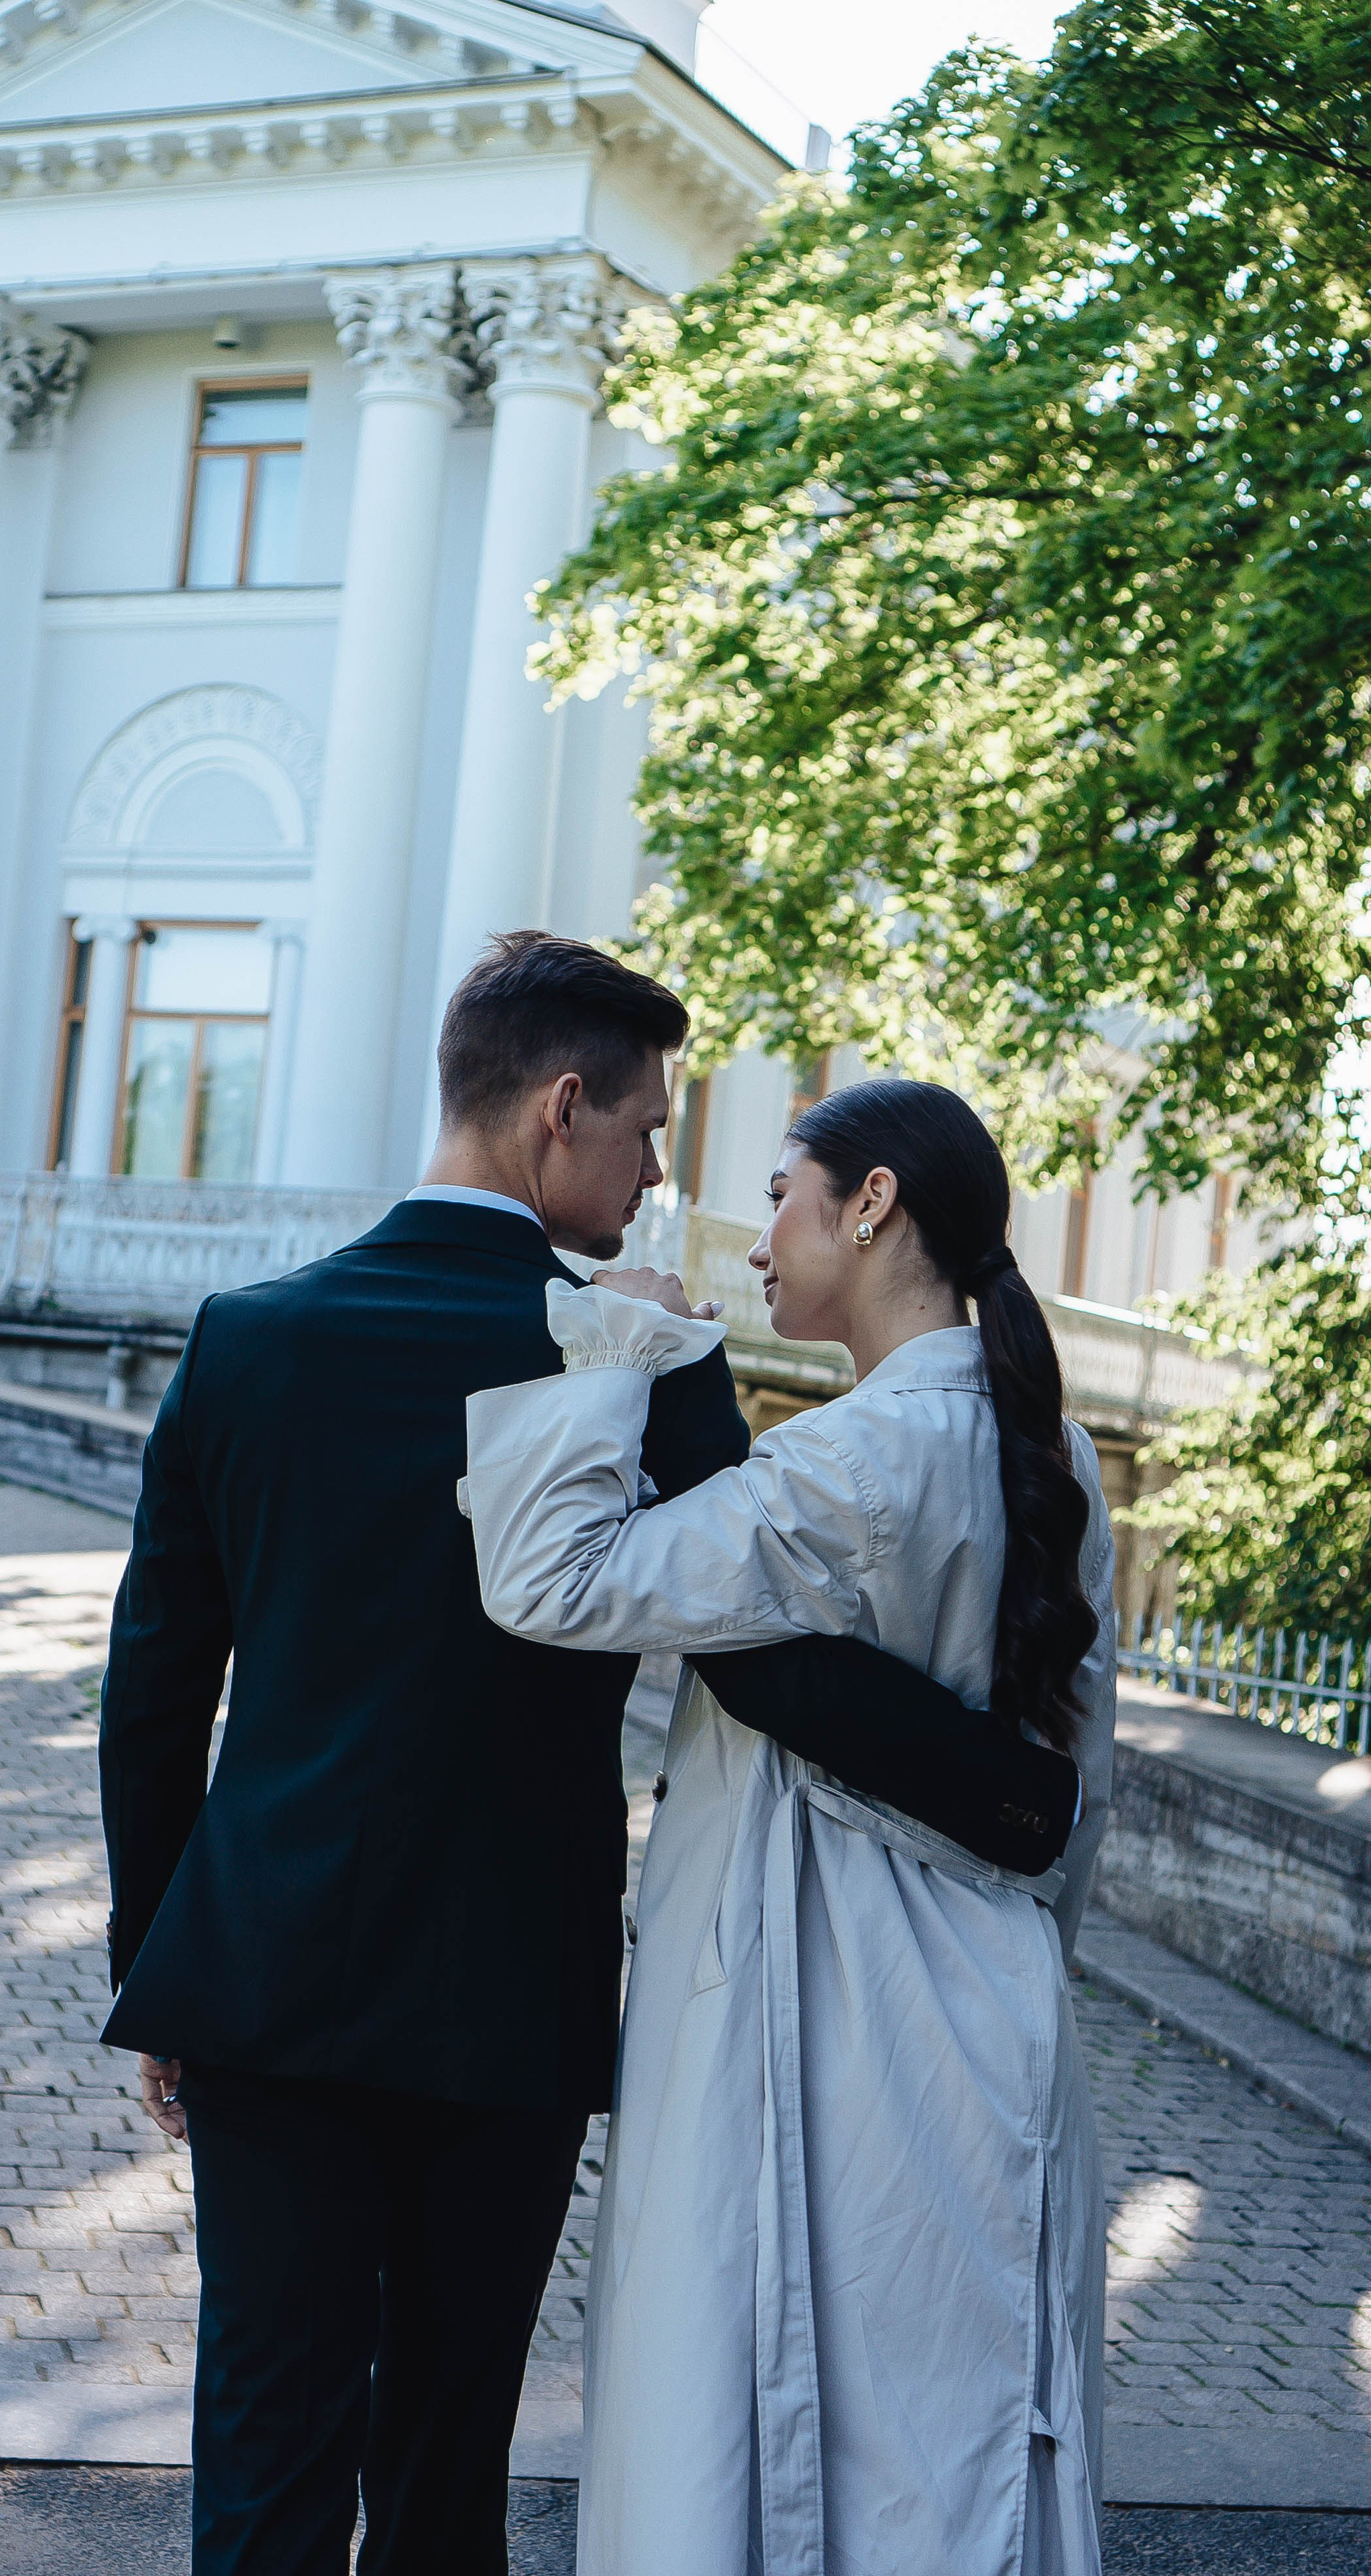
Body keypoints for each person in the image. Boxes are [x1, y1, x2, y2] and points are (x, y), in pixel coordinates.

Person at [97, 944, 1083, 2576]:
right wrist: (1009, 1794)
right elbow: (761, 1656)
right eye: (644, 1131)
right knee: (447, 2458)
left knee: (264, 2450)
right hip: (514, 1991)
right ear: (561, 1109)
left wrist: (156, 1960)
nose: (655, 1176)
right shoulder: (646, 1361)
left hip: (263, 1977)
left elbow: (152, 1691)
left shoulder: (249, 1337)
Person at [464, 1075, 1117, 2576]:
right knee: (960, 2470)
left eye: (779, 1197)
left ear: (871, 1203)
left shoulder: (844, 1468)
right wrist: (1027, 1963)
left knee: (768, 2438)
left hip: (817, 2001)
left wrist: (617, 1346)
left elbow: (550, 1577)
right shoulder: (1055, 1457)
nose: (757, 1242)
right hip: (1000, 2018)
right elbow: (1075, 1803)